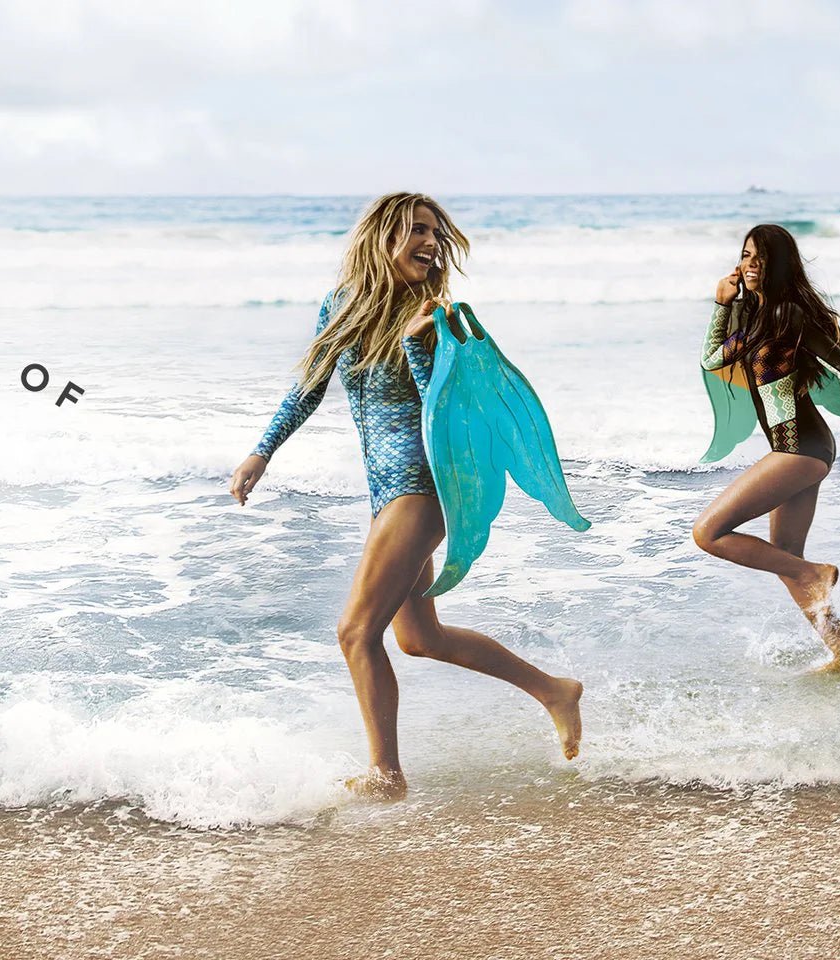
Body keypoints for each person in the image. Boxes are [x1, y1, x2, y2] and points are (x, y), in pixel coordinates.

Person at [228, 192, 583, 801]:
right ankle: (554, 689)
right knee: (418, 638)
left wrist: (421, 344)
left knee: (354, 632)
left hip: (422, 485)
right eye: (418, 231)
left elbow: (438, 409)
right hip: (385, 492)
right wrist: (263, 451)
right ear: (382, 239)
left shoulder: (436, 311)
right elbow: (309, 388)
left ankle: (386, 775)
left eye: (436, 234)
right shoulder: (341, 305)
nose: (431, 243)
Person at [693, 224, 840, 673]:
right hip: (799, 448)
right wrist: (722, 305)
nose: (751, 264)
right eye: (745, 255)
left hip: (801, 448)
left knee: (709, 533)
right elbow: (712, 359)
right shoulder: (758, 320)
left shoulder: (791, 316)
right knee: (788, 559)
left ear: (780, 265)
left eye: (761, 257)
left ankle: (818, 575)